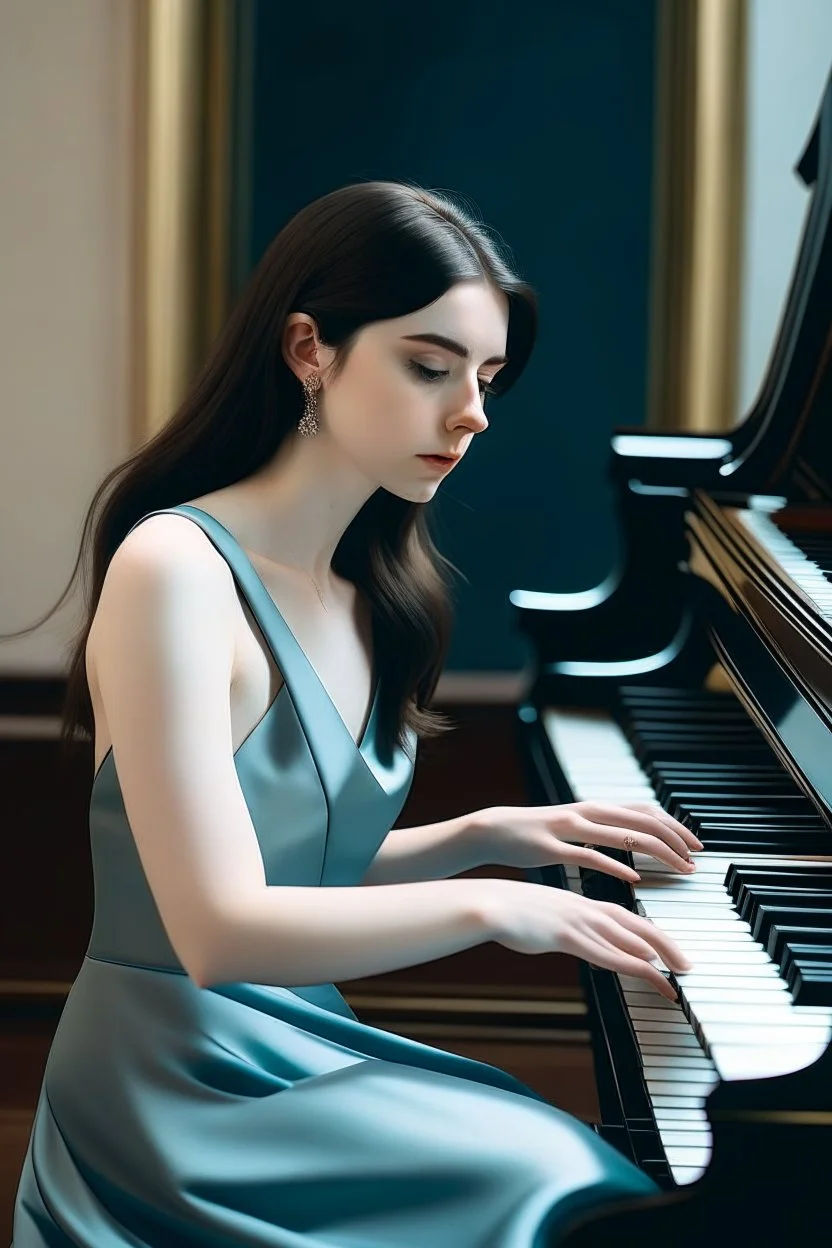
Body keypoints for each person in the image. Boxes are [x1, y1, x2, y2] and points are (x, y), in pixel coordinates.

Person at [10, 180, 700, 1246]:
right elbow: (214, 926)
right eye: (429, 365)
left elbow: (290, 861)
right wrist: (489, 906)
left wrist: (483, 835)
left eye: (488, 377)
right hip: (169, 1084)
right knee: (547, 1177)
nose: (471, 411)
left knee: (572, 1171)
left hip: (287, 1038)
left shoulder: (375, 590)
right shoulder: (176, 569)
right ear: (308, 349)